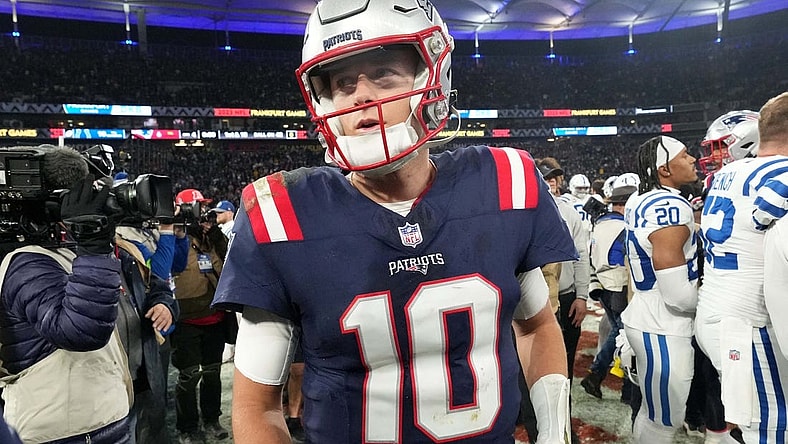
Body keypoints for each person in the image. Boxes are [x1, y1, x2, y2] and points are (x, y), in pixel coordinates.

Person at [213, 1, 579, 443]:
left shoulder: (504, 183)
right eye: (343, 82)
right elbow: (257, 406)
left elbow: (537, 327)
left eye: (383, 73)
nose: (361, 96)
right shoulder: (281, 214)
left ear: (433, 77)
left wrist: (555, 433)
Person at [0, 145, 133, 443]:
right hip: (64, 429)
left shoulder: (58, 254)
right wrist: (93, 242)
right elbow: (80, 332)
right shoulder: (25, 261)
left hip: (92, 418)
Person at [697, 97, 788, 443]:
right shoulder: (779, 172)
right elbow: (765, 211)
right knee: (772, 429)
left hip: (718, 310)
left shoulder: (726, 174)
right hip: (748, 326)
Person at [622, 135, 700, 443]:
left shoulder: (642, 198)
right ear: (664, 169)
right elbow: (677, 294)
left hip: (648, 316)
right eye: (684, 156)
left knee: (653, 414)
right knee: (664, 421)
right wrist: (715, 302)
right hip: (664, 324)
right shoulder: (668, 206)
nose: (692, 159)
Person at [170, 189, 230, 443]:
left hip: (214, 315)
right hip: (185, 318)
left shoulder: (213, 238)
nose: (202, 213)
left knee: (212, 372)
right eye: (196, 208)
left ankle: (211, 419)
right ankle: (187, 426)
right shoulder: (175, 236)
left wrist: (214, 234)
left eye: (204, 207)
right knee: (189, 374)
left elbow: (229, 262)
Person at [580, 177, 635, 399]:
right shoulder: (623, 227)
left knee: (618, 333)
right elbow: (627, 260)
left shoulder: (600, 224)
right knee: (624, 334)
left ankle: (608, 379)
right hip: (619, 285)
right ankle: (602, 376)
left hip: (602, 285)